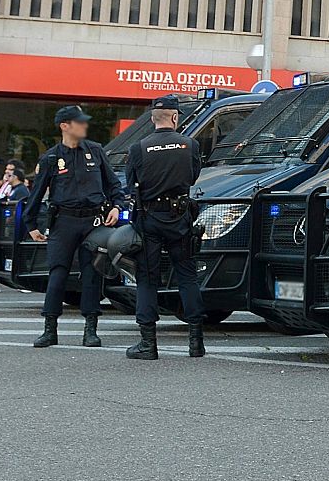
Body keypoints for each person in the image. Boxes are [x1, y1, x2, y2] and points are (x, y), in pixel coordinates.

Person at [27, 105, 123, 349]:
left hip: (93, 221)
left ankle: (90, 329)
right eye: (79, 122)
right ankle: (50, 329)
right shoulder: (50, 158)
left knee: (92, 274)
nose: (84, 126)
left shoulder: (96, 151)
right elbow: (36, 194)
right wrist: (30, 224)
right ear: (65, 126)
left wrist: (116, 207)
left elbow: (113, 186)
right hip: (64, 222)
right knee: (57, 274)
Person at [124, 96, 204, 361]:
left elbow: (131, 183)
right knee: (187, 276)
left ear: (152, 119)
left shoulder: (138, 148)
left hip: (149, 219)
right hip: (180, 217)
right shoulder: (190, 145)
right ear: (175, 117)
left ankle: (148, 344)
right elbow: (192, 177)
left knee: (147, 279)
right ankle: (196, 343)